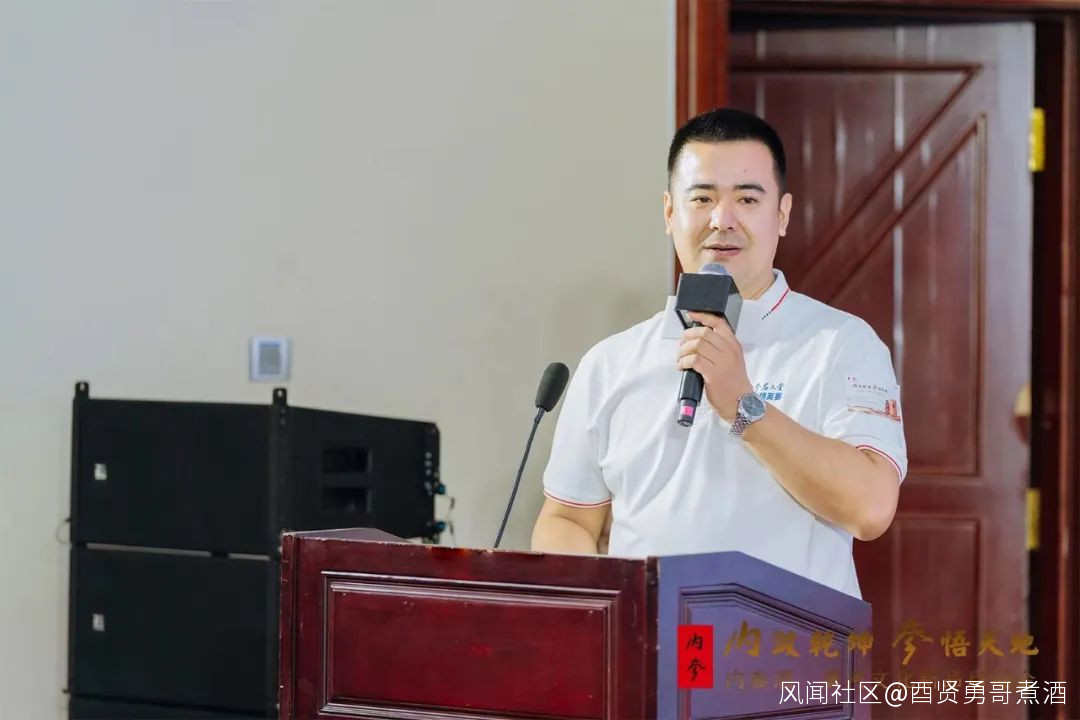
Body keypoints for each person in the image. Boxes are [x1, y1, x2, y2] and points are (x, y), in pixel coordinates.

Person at [530, 108, 907, 598]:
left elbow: (871, 508)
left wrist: (743, 406)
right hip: (647, 637)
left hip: (785, 640)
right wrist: (596, 610)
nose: (721, 220)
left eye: (747, 199)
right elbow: (568, 519)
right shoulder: (610, 362)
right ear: (670, 212)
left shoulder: (840, 343)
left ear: (782, 214)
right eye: (702, 198)